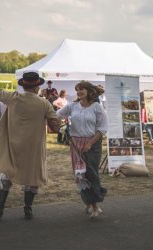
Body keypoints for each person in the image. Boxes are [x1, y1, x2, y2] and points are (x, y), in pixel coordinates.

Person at [0, 65, 61, 220]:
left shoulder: (13, 98)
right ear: (37, 87)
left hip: (13, 146)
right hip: (33, 149)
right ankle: (28, 209)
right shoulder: (44, 103)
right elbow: (55, 124)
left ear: (24, 85)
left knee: (6, 176)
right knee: (32, 178)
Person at [57, 81, 108, 218]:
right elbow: (56, 115)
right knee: (80, 175)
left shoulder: (97, 107)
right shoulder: (72, 106)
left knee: (91, 174)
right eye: (77, 90)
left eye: (81, 89)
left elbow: (102, 128)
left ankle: (95, 205)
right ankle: (88, 202)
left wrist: (90, 143)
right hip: (76, 144)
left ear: (88, 91)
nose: (79, 92)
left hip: (92, 143)